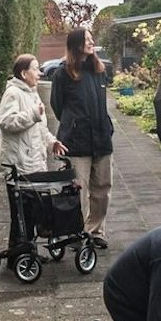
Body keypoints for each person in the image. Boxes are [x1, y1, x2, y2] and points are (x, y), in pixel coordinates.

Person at [48, 27, 113, 246]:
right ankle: (77, 232)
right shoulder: (63, 74)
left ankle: (96, 232)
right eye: (87, 39)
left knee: (102, 188)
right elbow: (57, 106)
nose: (91, 42)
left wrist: (106, 125)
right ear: (76, 44)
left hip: (102, 139)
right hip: (77, 142)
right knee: (78, 189)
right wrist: (72, 124)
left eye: (91, 38)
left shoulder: (99, 70)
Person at [0, 54, 59, 174]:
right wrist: (33, 114)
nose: (39, 73)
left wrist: (52, 143)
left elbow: (41, 129)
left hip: (36, 163)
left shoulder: (33, 94)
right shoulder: (13, 93)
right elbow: (7, 122)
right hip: (19, 167)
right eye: (35, 69)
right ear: (24, 74)